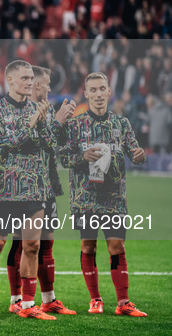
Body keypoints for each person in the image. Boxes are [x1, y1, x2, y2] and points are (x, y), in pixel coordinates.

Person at [59, 72, 147, 317]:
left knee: (117, 246)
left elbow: (134, 151)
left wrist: (140, 155)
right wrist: (81, 157)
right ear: (86, 94)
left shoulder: (121, 123)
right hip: (84, 199)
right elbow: (64, 157)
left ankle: (123, 302)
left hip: (115, 198)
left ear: (109, 92)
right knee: (88, 247)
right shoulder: (76, 125)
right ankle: (95, 299)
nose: (98, 94)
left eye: (102, 89)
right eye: (93, 90)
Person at [0, 60, 56, 322]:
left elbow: (49, 145)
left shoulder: (38, 108)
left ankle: (27, 303)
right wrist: (32, 124)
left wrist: (48, 122)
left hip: (35, 188)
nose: (30, 82)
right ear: (9, 80)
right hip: (4, 189)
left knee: (32, 245)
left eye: (32, 78)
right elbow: (2, 145)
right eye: (24, 78)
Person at [4, 66, 77, 316]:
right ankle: (17, 299)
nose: (48, 88)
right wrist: (57, 122)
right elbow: (30, 144)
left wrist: (62, 122)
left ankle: (49, 298)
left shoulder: (45, 111)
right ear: (35, 85)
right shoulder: (22, 111)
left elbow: (54, 147)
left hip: (46, 185)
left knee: (46, 244)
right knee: (20, 244)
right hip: (22, 187)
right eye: (46, 84)